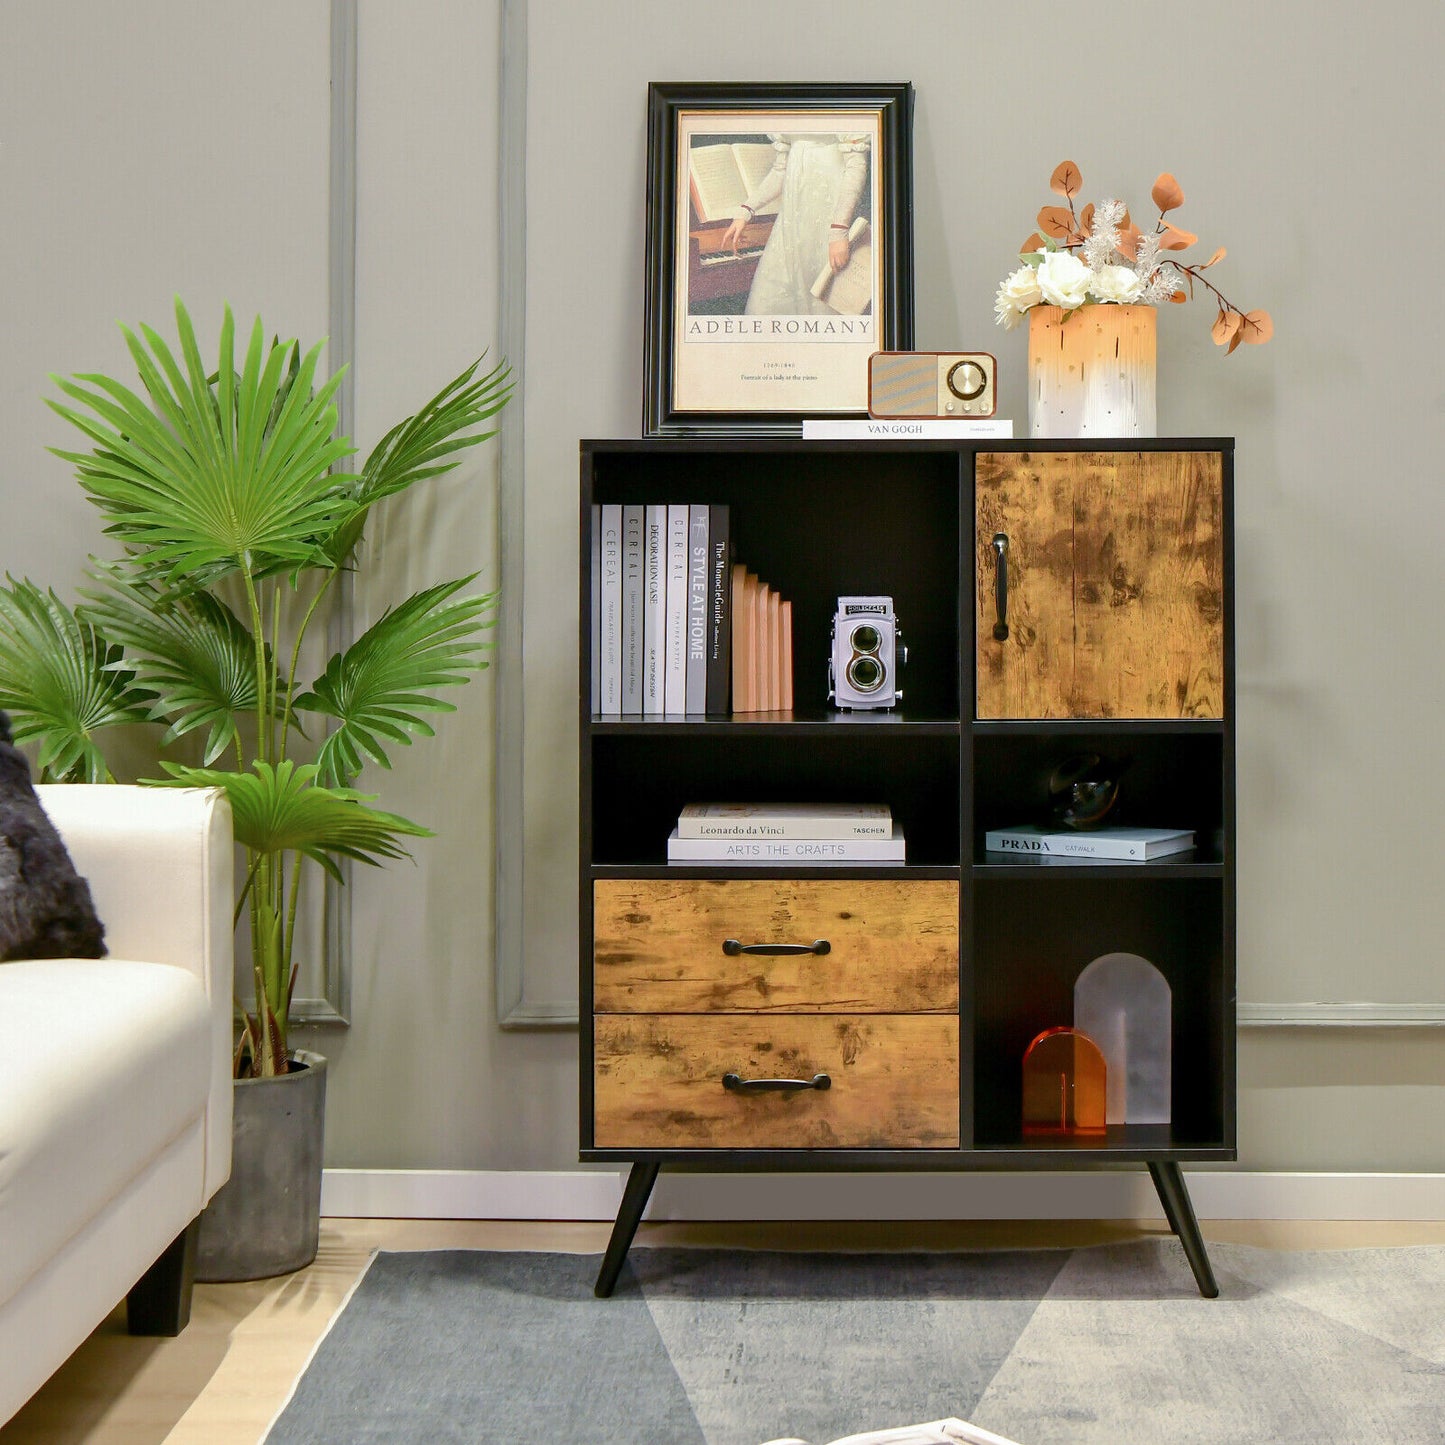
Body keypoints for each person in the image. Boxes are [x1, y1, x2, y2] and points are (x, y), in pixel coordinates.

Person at [719, 131, 870, 316]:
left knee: (822, 300)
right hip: (791, 220)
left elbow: (856, 167)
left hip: (829, 216)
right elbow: (781, 170)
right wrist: (746, 210)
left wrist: (839, 230)